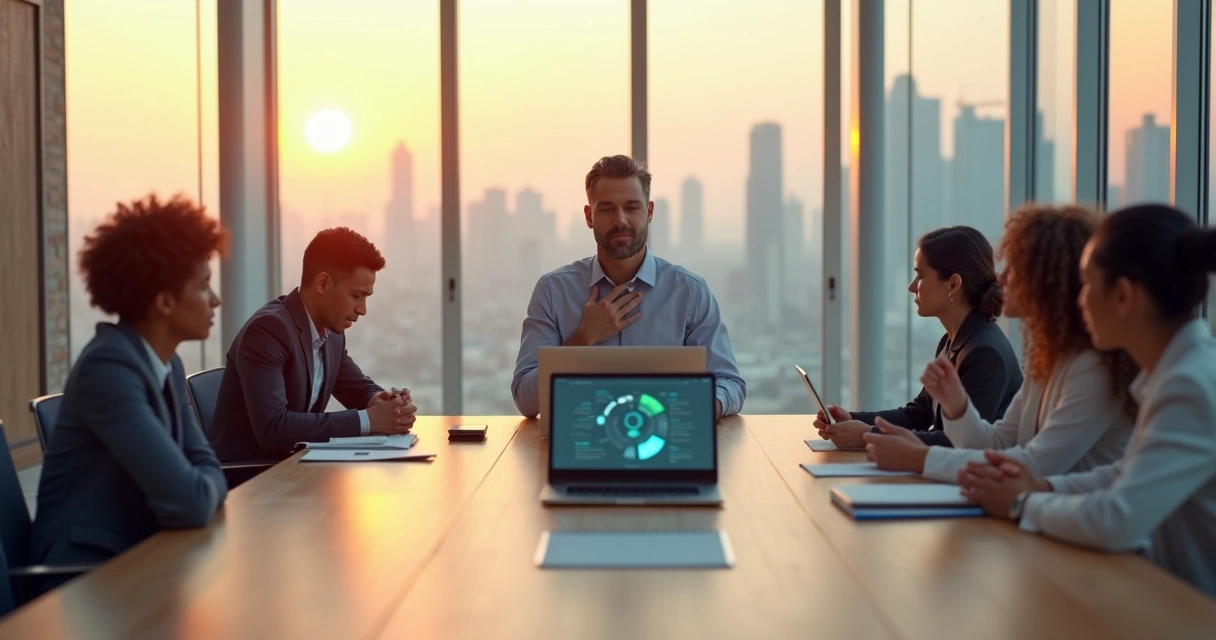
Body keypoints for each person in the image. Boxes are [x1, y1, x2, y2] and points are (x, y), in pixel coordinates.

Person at [958, 204, 1216, 598]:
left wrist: (1022, 503)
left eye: (1087, 284)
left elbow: (1117, 519)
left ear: (1123, 296)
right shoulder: (1180, 371)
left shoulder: (1188, 384)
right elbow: (1124, 474)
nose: (1079, 300)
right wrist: (1042, 487)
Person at [29, 194, 228, 580]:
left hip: (141, 555)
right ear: (164, 302)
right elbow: (191, 500)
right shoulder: (107, 371)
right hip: (82, 577)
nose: (215, 300)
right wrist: (201, 488)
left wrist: (202, 487)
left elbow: (206, 466)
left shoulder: (167, 365)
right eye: (204, 286)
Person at [863, 205, 1138, 481]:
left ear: (1047, 282)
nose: (1001, 278)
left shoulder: (1093, 368)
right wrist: (957, 406)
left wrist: (918, 457)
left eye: (1014, 269)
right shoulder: (1050, 358)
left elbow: (1034, 464)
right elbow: (997, 443)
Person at [511, 155, 745, 419]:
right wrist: (584, 338)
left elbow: (730, 383)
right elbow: (525, 400)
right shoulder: (553, 291)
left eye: (632, 207)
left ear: (650, 211)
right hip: (579, 439)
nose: (620, 220)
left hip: (666, 436)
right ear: (589, 216)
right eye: (607, 209)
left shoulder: (690, 292)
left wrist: (698, 407)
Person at [209, 227, 416, 466]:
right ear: (322, 282)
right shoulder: (268, 330)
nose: (362, 309)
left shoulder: (331, 334)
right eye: (356, 295)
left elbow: (357, 388)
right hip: (248, 474)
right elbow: (273, 428)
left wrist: (386, 403)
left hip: (294, 467)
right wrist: (369, 421)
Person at [815, 226, 1022, 448]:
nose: (912, 287)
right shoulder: (953, 340)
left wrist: (868, 435)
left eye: (920, 276)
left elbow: (959, 444)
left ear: (953, 284)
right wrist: (853, 420)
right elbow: (919, 414)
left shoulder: (985, 353)